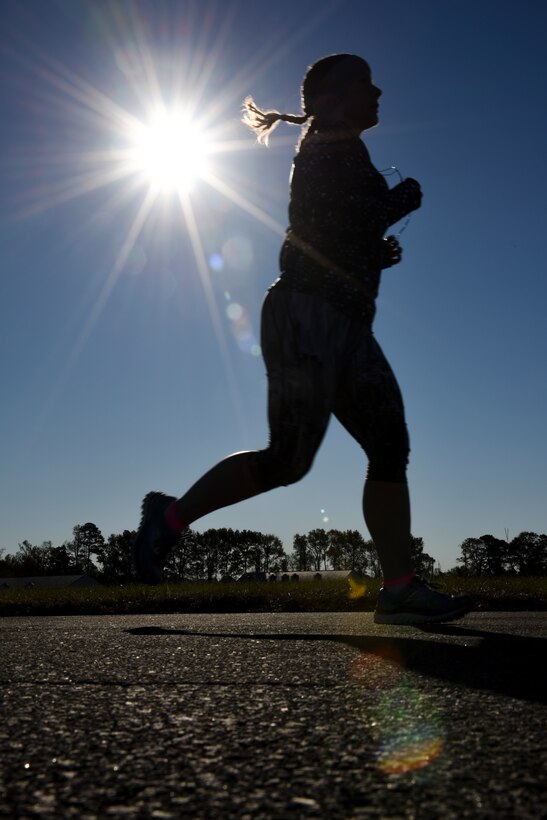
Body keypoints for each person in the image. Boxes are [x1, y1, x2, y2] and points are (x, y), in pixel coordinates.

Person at [133, 53, 472, 624]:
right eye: (366, 83)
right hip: (305, 316)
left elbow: (329, 231)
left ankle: (400, 589)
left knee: (389, 444)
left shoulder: (341, 149)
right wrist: (397, 202)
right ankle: (168, 517)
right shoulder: (325, 147)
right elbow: (344, 217)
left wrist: (374, 254)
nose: (380, 90)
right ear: (331, 100)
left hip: (344, 321)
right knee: (288, 460)